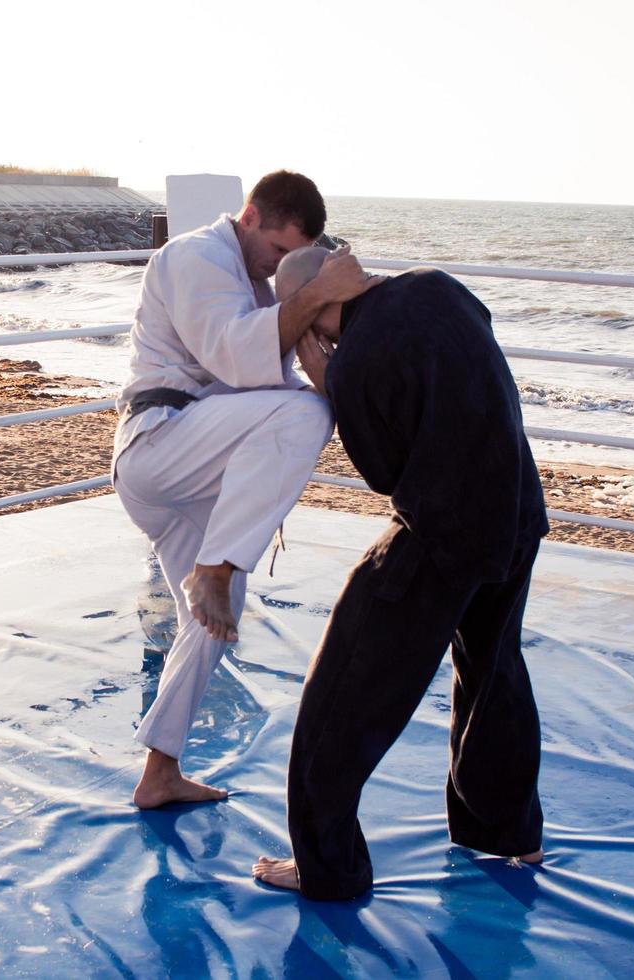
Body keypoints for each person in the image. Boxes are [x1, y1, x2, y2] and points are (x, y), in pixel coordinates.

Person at [252, 247, 549, 899]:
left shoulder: (354, 360)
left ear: (316, 307)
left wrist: (328, 382)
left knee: (338, 696)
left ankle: (326, 868)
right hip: (518, 512)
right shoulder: (436, 285)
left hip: (442, 536)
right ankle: (508, 835)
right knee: (491, 671)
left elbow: (385, 474)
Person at [113, 172, 379, 809]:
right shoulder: (194, 256)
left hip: (197, 464)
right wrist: (316, 292)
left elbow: (263, 381)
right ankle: (215, 563)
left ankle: (160, 772)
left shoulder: (257, 285)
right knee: (309, 415)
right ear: (250, 216)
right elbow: (237, 359)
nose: (282, 268)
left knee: (213, 615)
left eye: (298, 259)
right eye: (281, 252)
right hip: (158, 444)